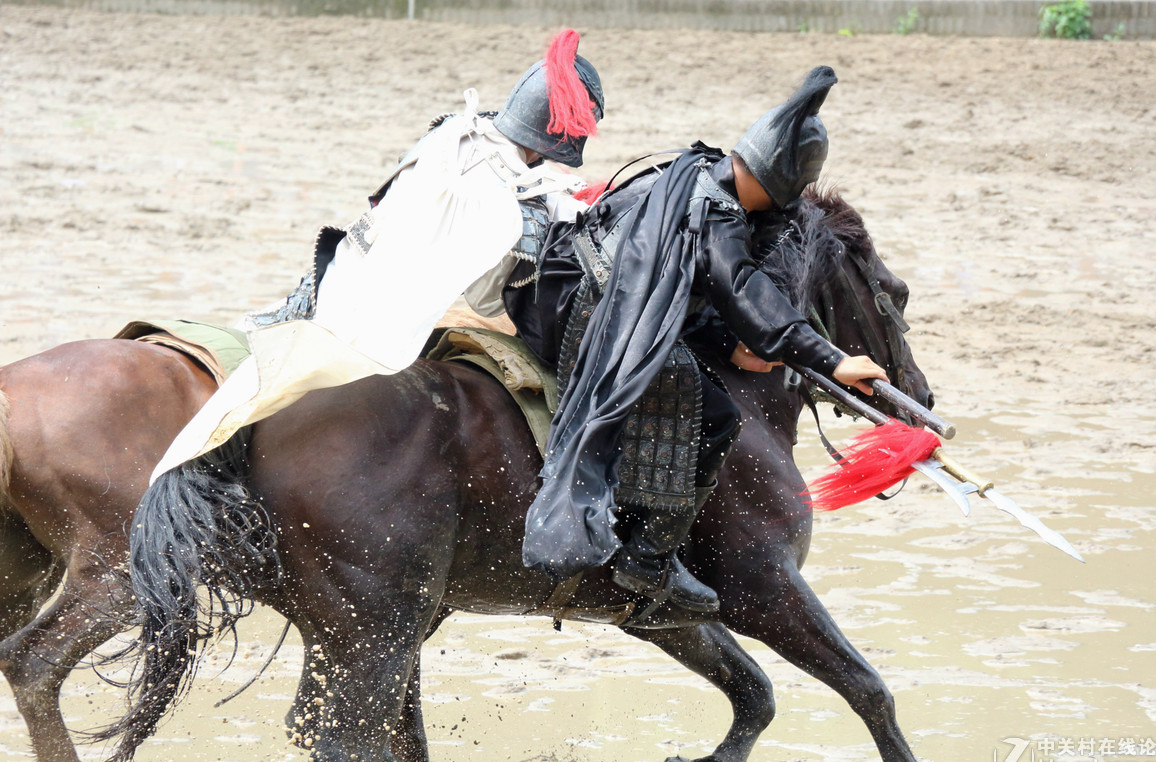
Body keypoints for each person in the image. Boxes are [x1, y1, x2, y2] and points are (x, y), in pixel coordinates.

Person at [510, 65, 887, 614]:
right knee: (715, 414)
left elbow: (676, 281)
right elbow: (741, 287)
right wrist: (831, 360)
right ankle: (648, 559)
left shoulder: (699, 170)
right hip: (584, 312)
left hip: (572, 286)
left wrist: (725, 343)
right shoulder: (716, 214)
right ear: (775, 180)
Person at [149, 30, 604, 482]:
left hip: (330, 286)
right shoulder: (509, 210)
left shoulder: (450, 133)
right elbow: (486, 301)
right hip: (378, 340)